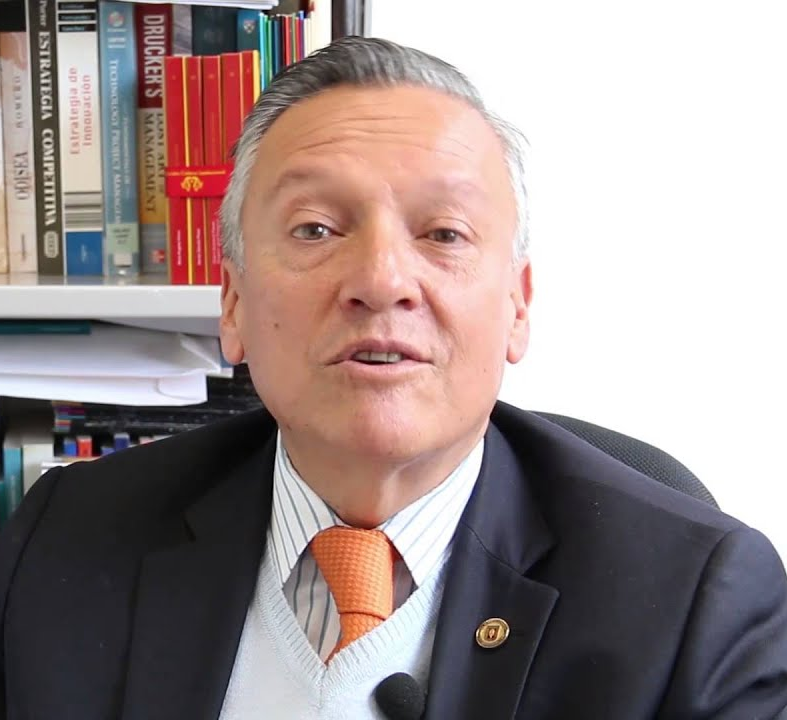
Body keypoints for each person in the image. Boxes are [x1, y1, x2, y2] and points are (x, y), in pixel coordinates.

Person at [0, 36, 786, 720]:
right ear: (232, 303)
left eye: (443, 233)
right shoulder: (65, 539)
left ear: (516, 306)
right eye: (315, 229)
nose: (380, 281)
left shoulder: (692, 602)